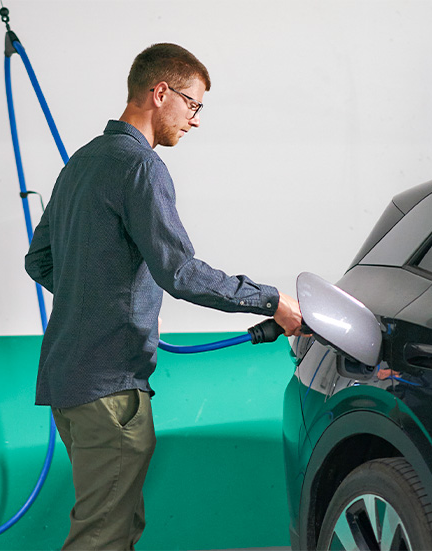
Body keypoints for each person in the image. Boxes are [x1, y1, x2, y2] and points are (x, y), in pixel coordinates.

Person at [24, 42, 303, 550]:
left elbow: (38, 260)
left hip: (68, 384)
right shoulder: (140, 167)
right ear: (160, 93)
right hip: (110, 390)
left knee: (119, 527)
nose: (194, 121)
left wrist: (97, 297)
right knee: (102, 537)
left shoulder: (83, 161)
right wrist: (273, 301)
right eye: (193, 104)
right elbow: (180, 272)